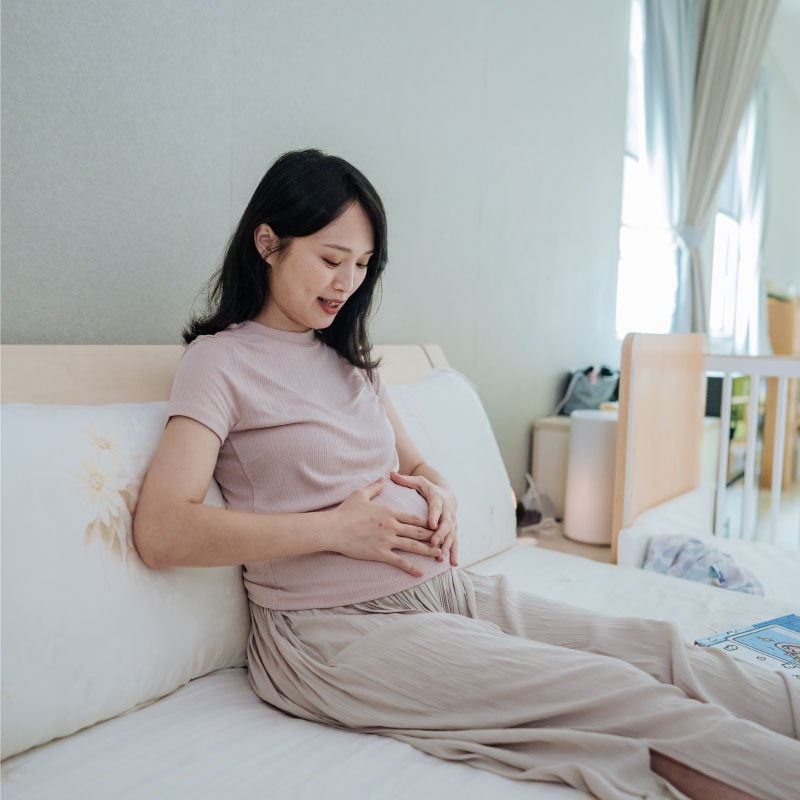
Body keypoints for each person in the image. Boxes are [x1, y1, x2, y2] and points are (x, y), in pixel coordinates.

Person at [132, 148, 799, 800]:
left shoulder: (347, 358)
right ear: (268, 243)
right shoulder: (220, 364)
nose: (347, 283)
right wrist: (336, 529)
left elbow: (413, 463)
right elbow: (163, 530)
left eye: (363, 265)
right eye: (331, 260)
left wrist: (440, 492)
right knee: (626, 699)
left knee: (656, 647)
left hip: (442, 590)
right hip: (334, 630)